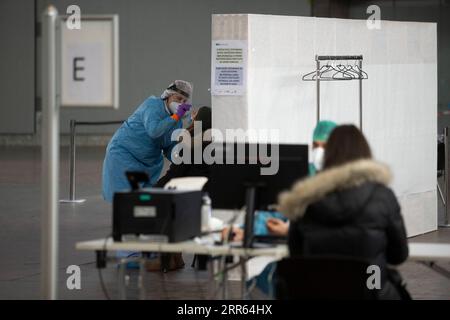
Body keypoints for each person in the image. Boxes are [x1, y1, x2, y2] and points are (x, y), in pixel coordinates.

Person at [278, 124, 410, 299]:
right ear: (364, 156)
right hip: (371, 290)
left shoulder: (305, 199)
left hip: (318, 294)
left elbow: (296, 252)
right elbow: (398, 255)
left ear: (329, 155)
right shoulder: (383, 196)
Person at [102, 80, 193, 202]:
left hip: (148, 165)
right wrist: (175, 117)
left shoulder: (177, 121)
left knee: (144, 202)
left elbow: (169, 147)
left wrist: (182, 160)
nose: (181, 103)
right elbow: (154, 131)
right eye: (178, 98)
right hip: (124, 156)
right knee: (123, 201)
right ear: (168, 95)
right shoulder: (152, 105)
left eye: (184, 101)